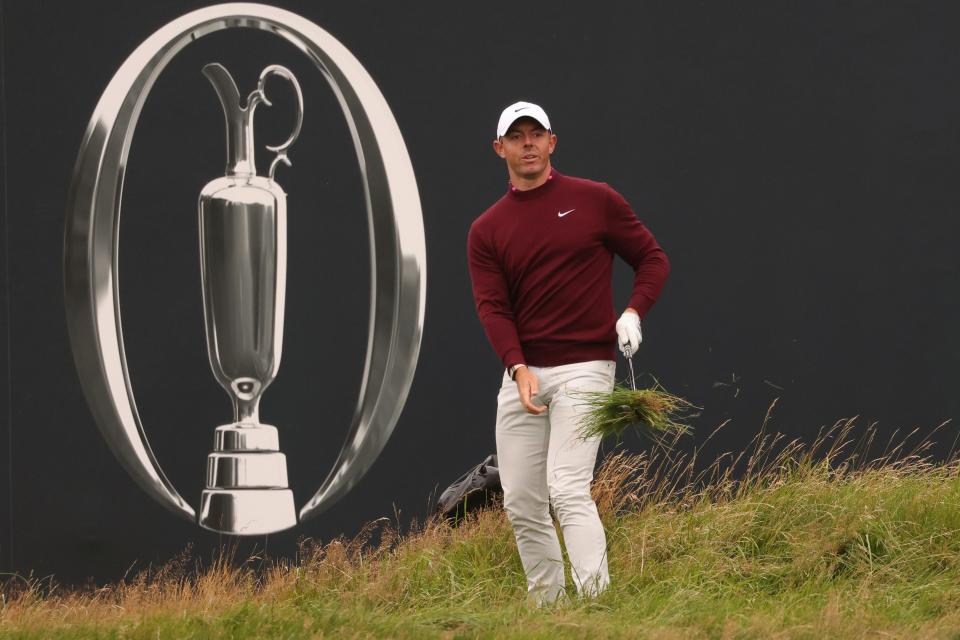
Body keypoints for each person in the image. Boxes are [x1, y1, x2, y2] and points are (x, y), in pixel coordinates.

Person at [467, 101, 670, 605]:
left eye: (537, 133)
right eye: (517, 136)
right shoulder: (486, 230)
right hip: (523, 375)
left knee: (566, 486)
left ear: (553, 142)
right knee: (522, 502)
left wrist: (633, 313)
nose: (528, 143)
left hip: (586, 367)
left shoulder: (594, 199)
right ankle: (550, 611)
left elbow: (651, 258)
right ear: (500, 149)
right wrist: (516, 367)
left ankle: (596, 605)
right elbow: (493, 308)